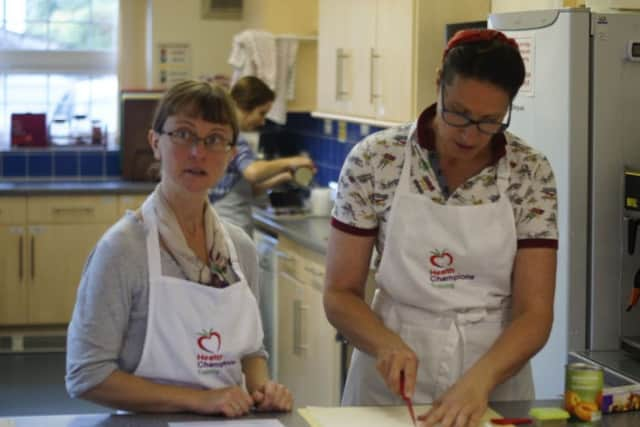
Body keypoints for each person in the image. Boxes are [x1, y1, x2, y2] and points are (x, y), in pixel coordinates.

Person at [323, 29, 558, 427]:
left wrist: (480, 381)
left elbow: (535, 313)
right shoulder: (376, 160)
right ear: (439, 84)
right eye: (458, 113)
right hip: (390, 380)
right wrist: (384, 344)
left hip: (494, 376)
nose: (469, 135)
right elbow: (340, 294)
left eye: (489, 122)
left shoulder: (529, 172)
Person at [65, 80, 292, 416]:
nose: (198, 152)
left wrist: (262, 389)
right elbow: (86, 374)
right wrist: (198, 400)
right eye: (184, 134)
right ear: (155, 142)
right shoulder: (124, 249)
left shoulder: (239, 248)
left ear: (231, 154)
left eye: (214, 139)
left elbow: (250, 349)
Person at [210, 76, 315, 236]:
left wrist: (283, 177)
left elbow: (248, 190)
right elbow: (253, 173)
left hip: (222, 226)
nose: (262, 121)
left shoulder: (219, 134)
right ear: (244, 107)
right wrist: (293, 161)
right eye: (262, 113)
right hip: (231, 230)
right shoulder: (233, 138)